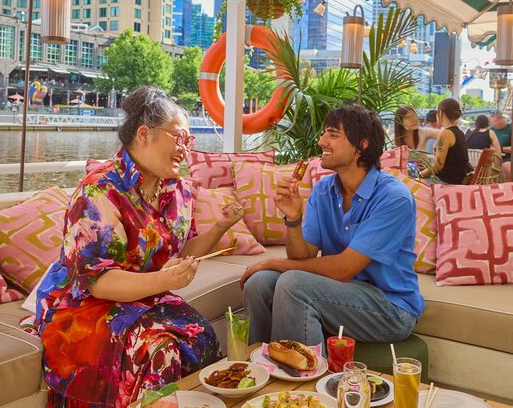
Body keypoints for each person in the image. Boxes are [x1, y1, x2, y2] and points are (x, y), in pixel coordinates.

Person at [32, 87, 240, 407]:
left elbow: (182, 252)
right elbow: (97, 282)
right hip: (87, 304)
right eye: (179, 137)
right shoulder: (100, 191)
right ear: (144, 134)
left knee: (202, 337)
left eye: (190, 140)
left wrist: (221, 226)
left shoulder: (176, 191)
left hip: (143, 295)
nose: (186, 149)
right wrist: (164, 281)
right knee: (158, 351)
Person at [241, 105, 423, 351]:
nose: (321, 141)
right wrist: (293, 219)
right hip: (339, 294)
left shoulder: (393, 198)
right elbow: (302, 256)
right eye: (324, 133)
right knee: (259, 283)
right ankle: (263, 368)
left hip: (390, 308)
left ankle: (303, 379)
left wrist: (272, 262)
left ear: (362, 145)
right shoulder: (324, 189)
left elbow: (343, 269)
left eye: (333, 135)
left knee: (293, 284)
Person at [419, 98, 472, 184]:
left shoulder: (446, 134)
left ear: (440, 113)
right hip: (460, 177)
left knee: (413, 182)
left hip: (448, 181)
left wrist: (420, 174)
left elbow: (438, 166)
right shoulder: (459, 133)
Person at [491, 111, 513, 181]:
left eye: (495, 121)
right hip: (494, 157)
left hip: (508, 157)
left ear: (502, 119)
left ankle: (508, 185)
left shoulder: (512, 129)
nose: (493, 123)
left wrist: (500, 149)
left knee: (507, 168)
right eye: (492, 121)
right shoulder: (491, 130)